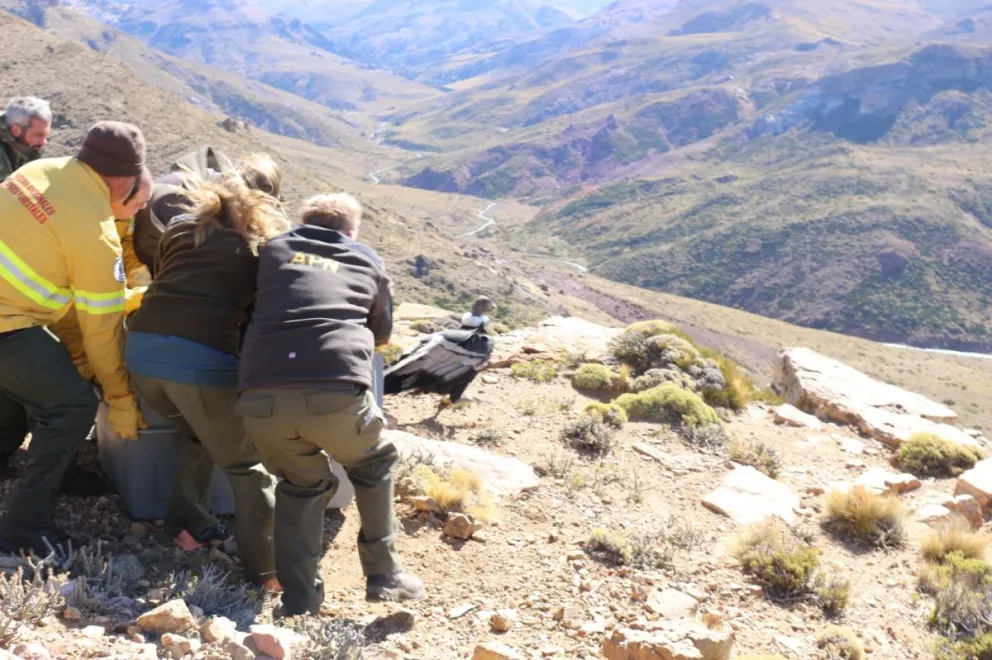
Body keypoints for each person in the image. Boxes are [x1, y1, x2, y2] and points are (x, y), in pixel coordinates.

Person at [237, 193, 425, 616]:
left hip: (260, 395)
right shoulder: (366, 258)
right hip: (334, 389)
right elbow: (381, 333)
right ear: (351, 230)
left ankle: (300, 601)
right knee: (373, 464)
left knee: (300, 485)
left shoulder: (272, 249)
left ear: (303, 221)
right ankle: (384, 574)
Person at [124, 162, 288, 589]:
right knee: (248, 469)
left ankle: (186, 524)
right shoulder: (260, 249)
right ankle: (267, 574)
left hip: (141, 354)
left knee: (198, 434)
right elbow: (260, 314)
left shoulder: (181, 229)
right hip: (199, 363)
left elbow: (172, 283)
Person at [0, 121, 150, 554]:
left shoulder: (38, 170)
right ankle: (24, 528)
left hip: (12, 317)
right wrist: (120, 399)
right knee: (71, 404)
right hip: (6, 324)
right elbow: (102, 334)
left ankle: (51, 469)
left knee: (36, 379)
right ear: (125, 179)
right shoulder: (96, 233)